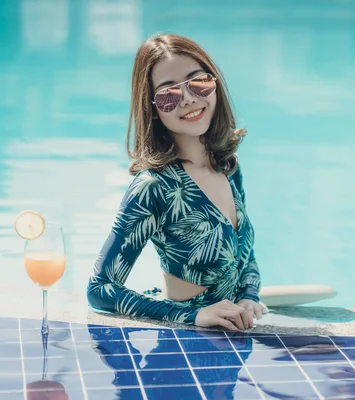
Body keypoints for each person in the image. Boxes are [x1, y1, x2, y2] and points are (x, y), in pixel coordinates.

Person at [87, 33, 266, 331]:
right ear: (153, 108)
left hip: (233, 348)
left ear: (215, 84)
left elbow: (245, 256)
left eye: (199, 82)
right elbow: (100, 288)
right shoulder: (154, 187)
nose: (189, 99)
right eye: (168, 94)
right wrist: (193, 316)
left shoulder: (229, 168)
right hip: (185, 345)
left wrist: (249, 296)